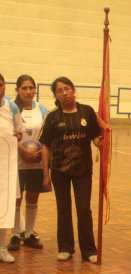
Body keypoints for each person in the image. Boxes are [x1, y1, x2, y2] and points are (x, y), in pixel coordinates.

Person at [38, 77, 103, 263]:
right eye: (60, 90)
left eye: (67, 88)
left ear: (74, 90)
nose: (64, 93)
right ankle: (65, 247)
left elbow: (95, 136)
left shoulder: (87, 112)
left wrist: (100, 142)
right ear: (55, 95)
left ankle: (89, 250)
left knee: (84, 209)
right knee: (63, 209)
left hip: (83, 170)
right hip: (59, 170)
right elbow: (45, 146)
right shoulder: (52, 117)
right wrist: (45, 175)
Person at [7, 75, 49, 252]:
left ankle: (29, 234)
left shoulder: (42, 109)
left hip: (37, 163)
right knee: (17, 199)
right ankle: (16, 235)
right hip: (16, 161)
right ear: (17, 90)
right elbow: (9, 134)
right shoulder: (12, 109)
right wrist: (23, 151)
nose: (28, 91)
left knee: (33, 197)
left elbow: (47, 134)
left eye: (31, 87)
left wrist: (40, 155)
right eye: (24, 88)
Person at [0, 73, 23, 263]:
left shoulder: (12, 107)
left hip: (5, 167)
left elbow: (19, 133)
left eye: (0, 85)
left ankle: (1, 248)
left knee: (5, 206)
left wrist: (17, 138)